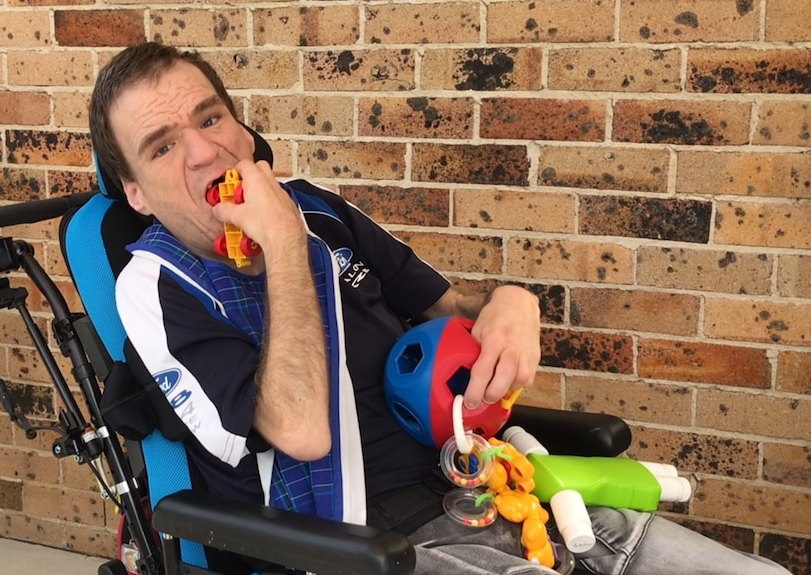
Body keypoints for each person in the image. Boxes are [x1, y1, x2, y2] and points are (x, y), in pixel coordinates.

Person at [88, 41, 792, 575]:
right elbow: (300, 430)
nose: (207, 150)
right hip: (362, 545)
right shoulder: (156, 286)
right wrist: (280, 243)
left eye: (211, 117)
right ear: (137, 192)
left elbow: (447, 307)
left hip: (490, 490)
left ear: (242, 128)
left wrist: (513, 302)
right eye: (163, 145)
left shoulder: (319, 211)